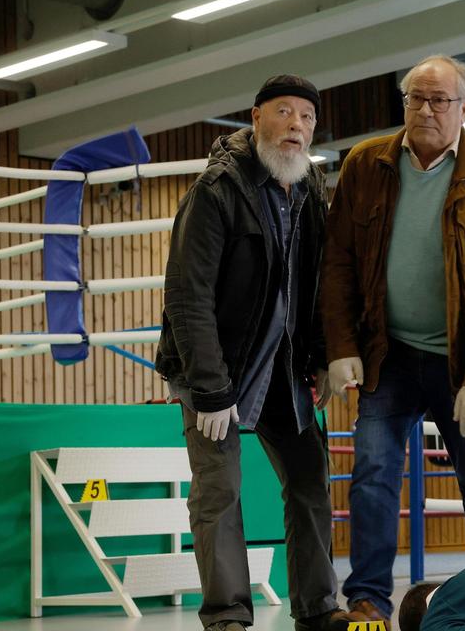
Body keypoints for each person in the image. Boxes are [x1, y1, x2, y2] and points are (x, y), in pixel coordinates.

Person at [321, 54, 465, 626]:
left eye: (439, 100)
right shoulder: (365, 165)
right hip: (388, 355)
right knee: (372, 474)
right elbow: (336, 262)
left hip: (459, 362)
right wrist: (340, 346)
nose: (426, 109)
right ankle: (367, 603)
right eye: (416, 98)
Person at [155, 75, 357, 631]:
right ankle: (227, 618)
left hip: (284, 369)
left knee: (311, 477)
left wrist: (318, 355)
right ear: (256, 117)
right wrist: (211, 389)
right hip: (220, 369)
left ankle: (318, 610)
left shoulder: (309, 188)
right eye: (285, 113)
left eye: (308, 118)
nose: (297, 126)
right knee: (220, 490)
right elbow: (187, 296)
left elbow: (314, 284)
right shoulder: (217, 191)